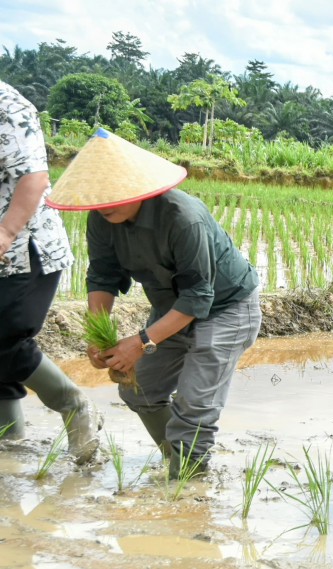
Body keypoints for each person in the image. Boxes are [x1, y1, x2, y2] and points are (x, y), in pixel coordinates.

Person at [47, 128, 260, 476]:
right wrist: (97, 336)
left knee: (194, 405)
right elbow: (102, 275)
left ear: (138, 187)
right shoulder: (102, 219)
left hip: (226, 308)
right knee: (139, 392)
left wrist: (142, 341)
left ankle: (186, 485)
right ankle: (181, 466)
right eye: (98, 199)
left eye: (113, 196)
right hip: (171, 307)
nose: (104, 206)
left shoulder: (182, 217)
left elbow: (198, 296)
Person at [0, 81, 100, 462]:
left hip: (25, 247)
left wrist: (6, 232)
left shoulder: (7, 106)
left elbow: (34, 178)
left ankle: (74, 404)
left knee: (5, 338)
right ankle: (10, 451)